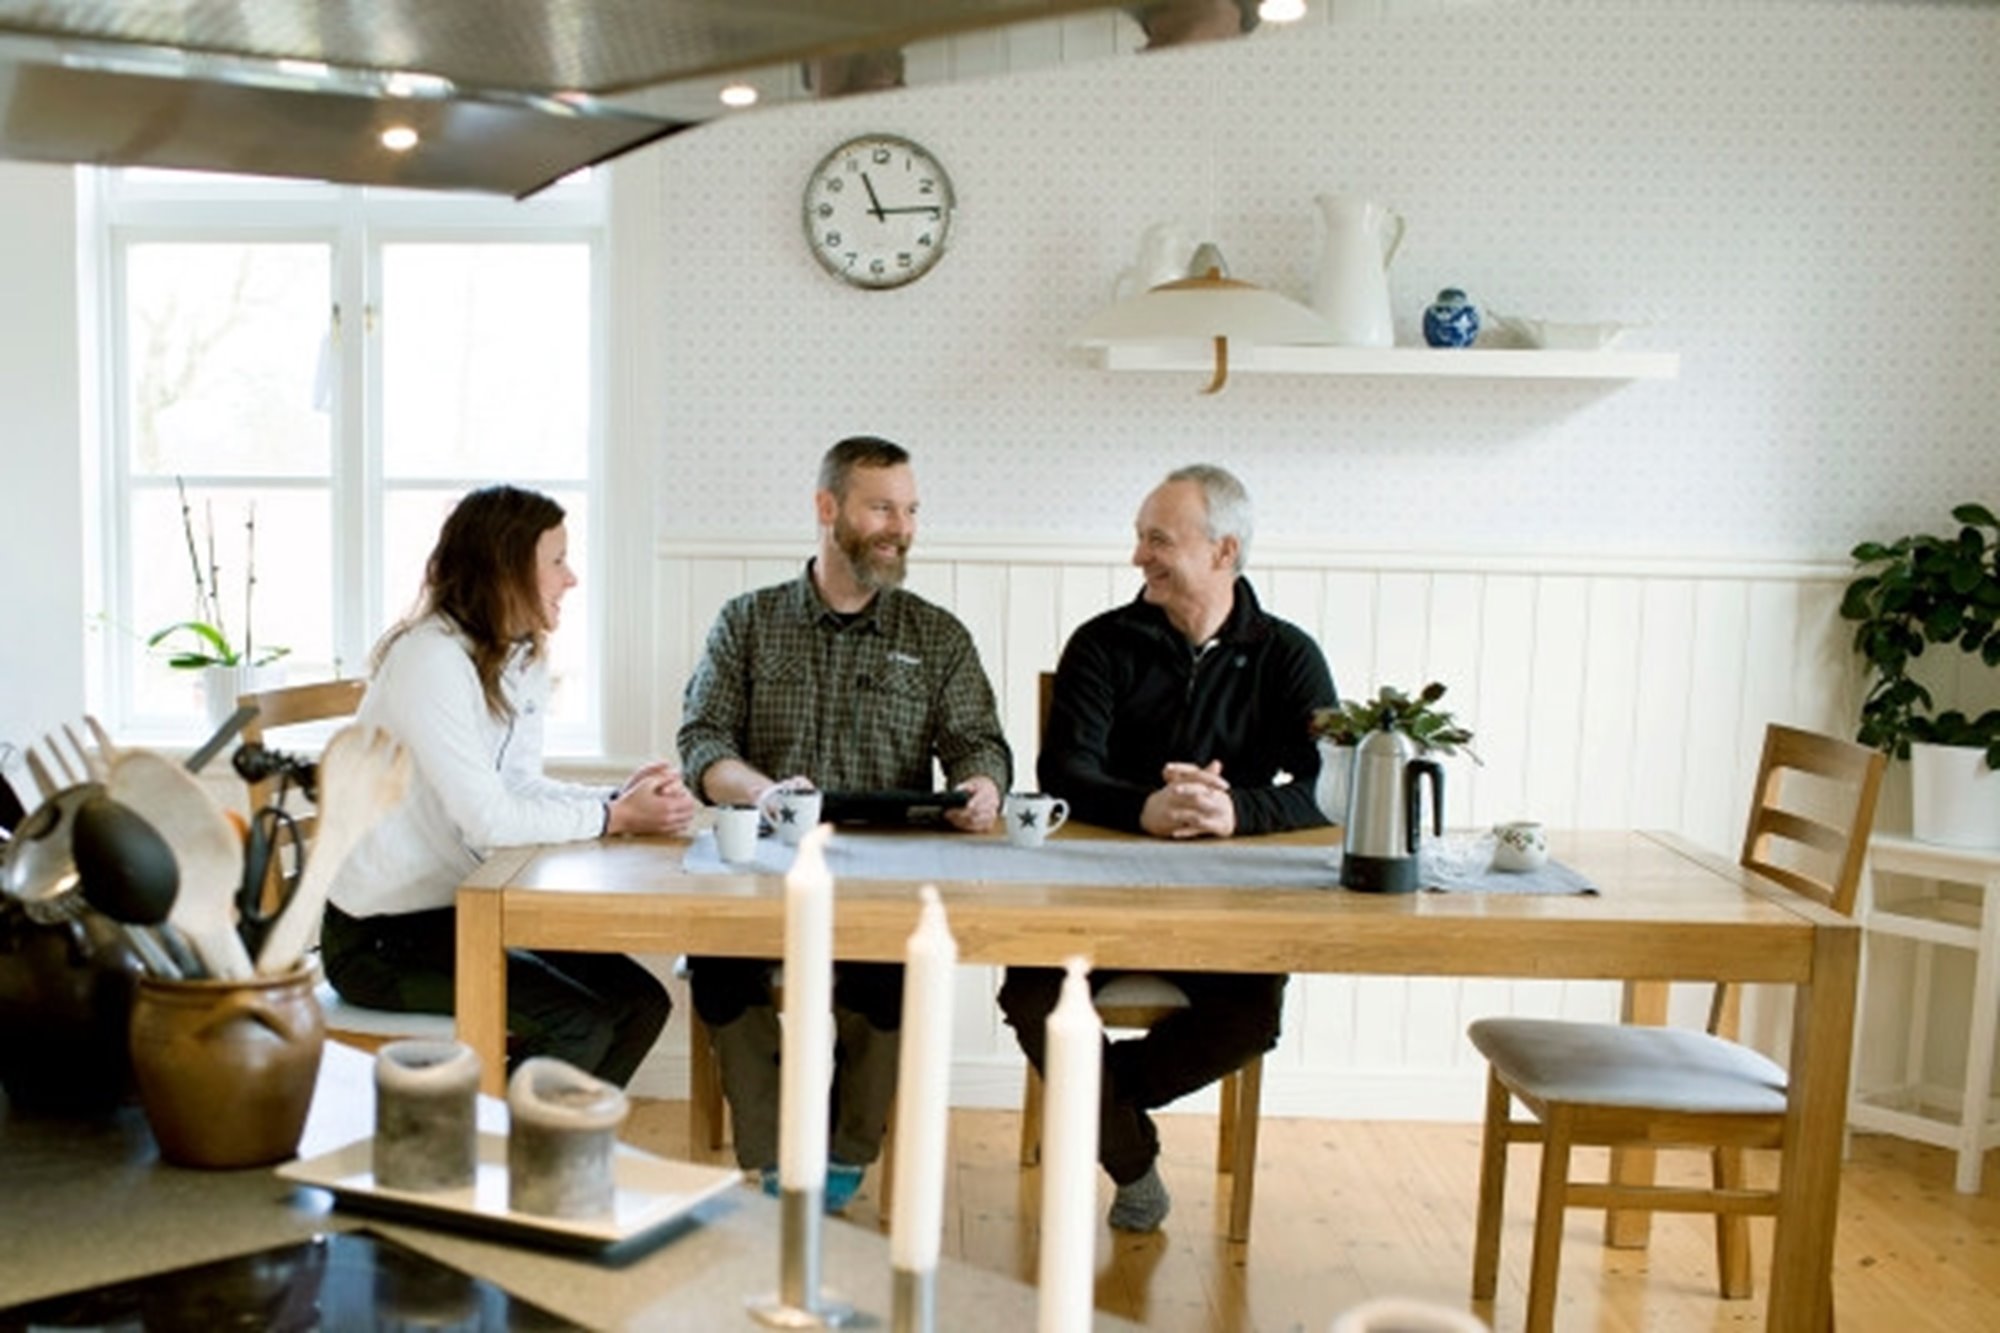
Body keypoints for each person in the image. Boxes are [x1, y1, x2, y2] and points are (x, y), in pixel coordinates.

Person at [997, 463, 1336, 1231]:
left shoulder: (1287, 654)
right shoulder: (1102, 643)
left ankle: (1095, 1102)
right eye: (1140, 537)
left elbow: (1330, 783)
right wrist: (1144, 807)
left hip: (1226, 902)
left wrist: (1237, 811)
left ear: (1223, 550)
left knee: (1252, 1016)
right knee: (1031, 995)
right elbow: (1063, 770)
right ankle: (1131, 1155)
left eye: (1158, 539)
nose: (1138, 556)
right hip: (1095, 892)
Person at [678, 434, 1011, 1209]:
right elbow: (703, 742)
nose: (902, 526)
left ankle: (848, 1150)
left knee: (893, 973)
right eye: (882, 507)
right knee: (719, 963)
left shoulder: (936, 635)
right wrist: (762, 792)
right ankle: (773, 1159)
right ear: (828, 509)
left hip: (889, 872)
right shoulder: (747, 622)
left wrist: (983, 785)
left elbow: (981, 744)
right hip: (763, 864)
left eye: (911, 509)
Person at [322, 485, 697, 1087]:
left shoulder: (512, 657)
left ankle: (551, 1161)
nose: (571, 578)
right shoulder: (431, 659)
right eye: (556, 561)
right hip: (380, 940)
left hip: (461, 913)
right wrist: (617, 819)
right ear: (505, 568)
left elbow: (517, 785)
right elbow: (489, 821)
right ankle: (494, 1161)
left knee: (641, 1004)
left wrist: (611, 803)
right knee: (581, 1025)